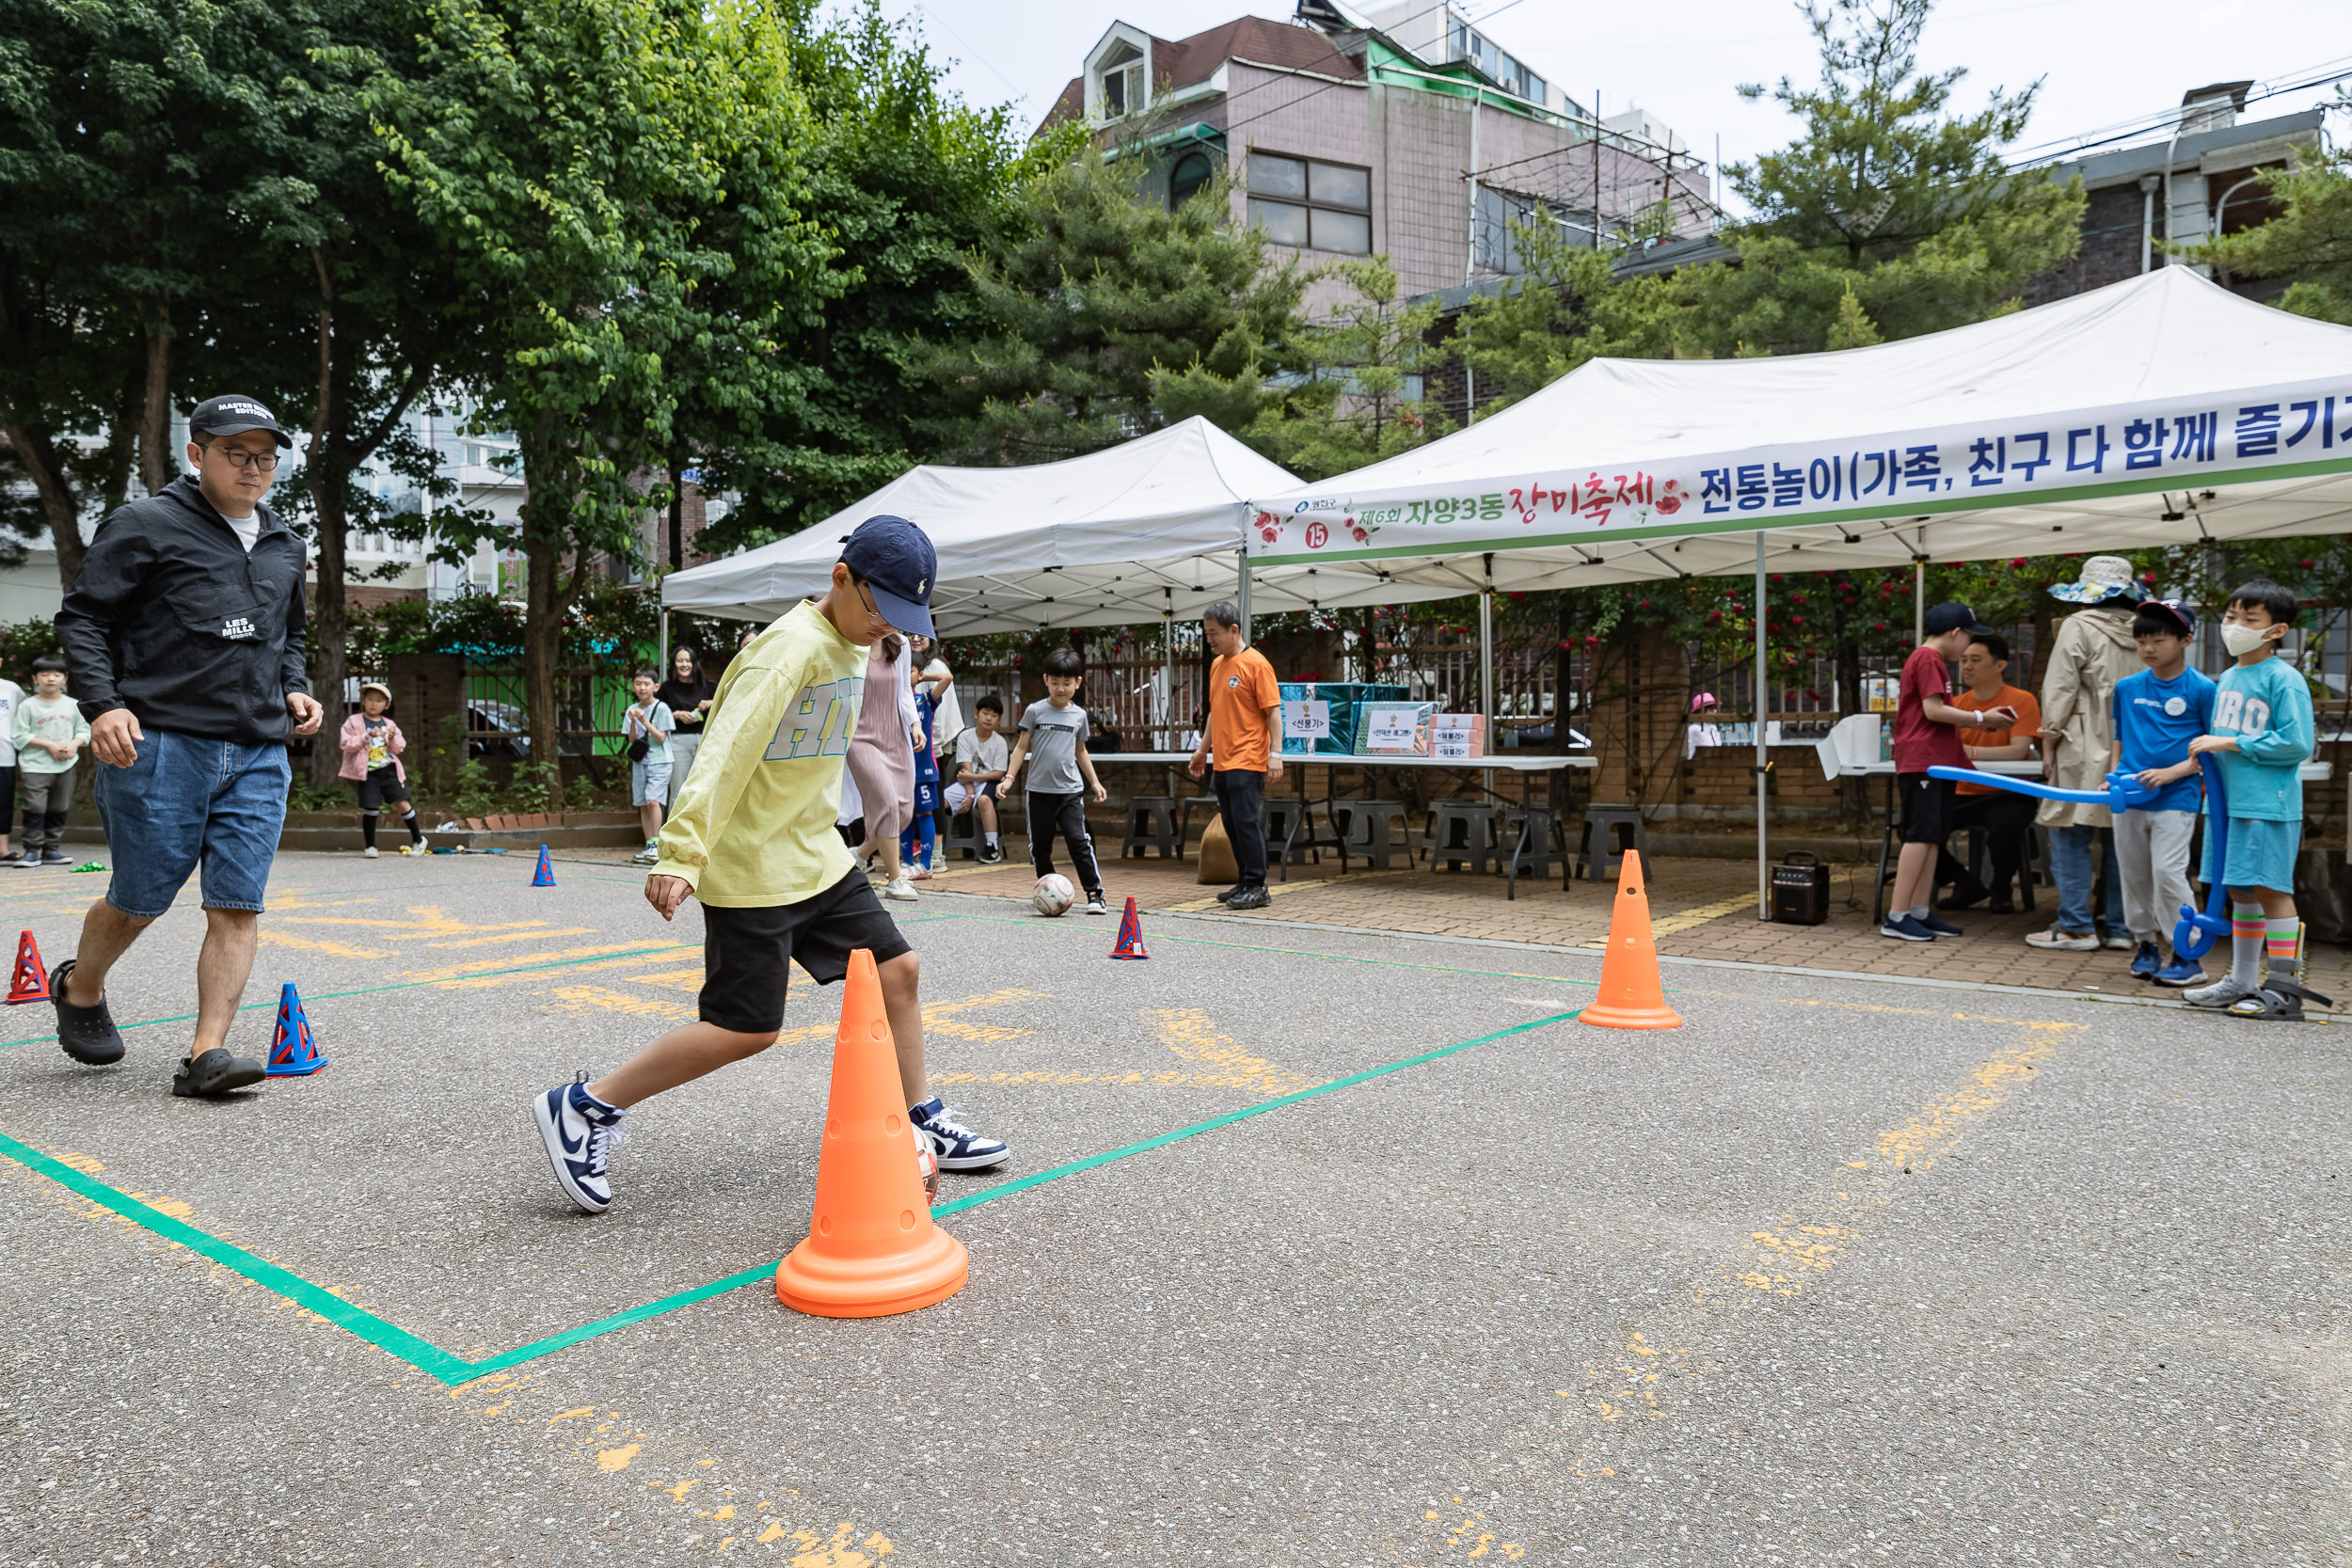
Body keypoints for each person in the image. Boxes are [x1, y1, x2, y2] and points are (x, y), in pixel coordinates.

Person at [531, 515, 1008, 1214]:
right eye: (881, 610)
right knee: (746, 1027)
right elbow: (726, 747)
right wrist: (683, 851)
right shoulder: (787, 649)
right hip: (753, 864)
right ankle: (585, 1105)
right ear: (842, 578)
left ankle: (918, 1115)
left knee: (897, 971)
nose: (888, 630)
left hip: (815, 855)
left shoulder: (855, 641)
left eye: (903, 619)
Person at [51, 392, 324, 1098]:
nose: (255, 468)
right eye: (238, 454)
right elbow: (83, 618)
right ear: (196, 453)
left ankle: (208, 1054)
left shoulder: (286, 542)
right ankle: (80, 987)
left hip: (259, 748)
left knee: (237, 902)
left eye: (266, 457)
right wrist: (103, 705)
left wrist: (293, 685)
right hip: (161, 742)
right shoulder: (144, 524)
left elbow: (287, 634)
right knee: (141, 899)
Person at [2184, 580, 2319, 1018]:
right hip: (2227, 805)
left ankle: (2284, 987)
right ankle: (2241, 981)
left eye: (2249, 619)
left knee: (2271, 889)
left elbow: (2297, 743)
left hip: (2266, 803)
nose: (2234, 626)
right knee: (2241, 891)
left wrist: (2232, 744)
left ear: (2276, 630)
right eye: (2230, 616)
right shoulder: (2228, 676)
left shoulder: (2285, 678)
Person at [1881, 602, 2015, 942]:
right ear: (1956, 633)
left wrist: (1979, 721)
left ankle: (1918, 911)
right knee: (1920, 836)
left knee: (1933, 838)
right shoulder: (1927, 658)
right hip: (1924, 760)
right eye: (1968, 636)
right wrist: (1983, 719)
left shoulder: (1931, 659)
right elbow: (1933, 710)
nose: (1968, 646)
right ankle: (1897, 915)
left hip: (1935, 760)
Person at [2027, 556, 2139, 952]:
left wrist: (2048, 739)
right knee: (2121, 835)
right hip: (2133, 744)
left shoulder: (2078, 626)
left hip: (2082, 739)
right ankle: (2122, 927)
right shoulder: (2148, 630)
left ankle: (2076, 926)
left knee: (2068, 828)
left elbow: (2060, 687)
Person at [2108, 598, 2217, 989]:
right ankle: (2145, 944)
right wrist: (2115, 774)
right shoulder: (2127, 687)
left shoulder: (2204, 688)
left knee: (2168, 873)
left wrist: (2175, 772)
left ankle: (2186, 954)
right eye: (2141, 641)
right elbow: (2120, 739)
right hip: (2128, 796)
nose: (2148, 649)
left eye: (2158, 640)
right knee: (2134, 874)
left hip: (2178, 797)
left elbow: (2210, 748)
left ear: (2186, 639)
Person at [1932, 633, 2042, 913]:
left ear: (2000, 665)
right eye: (1964, 660)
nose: (1966, 666)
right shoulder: (1954, 705)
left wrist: (1972, 753)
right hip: (1960, 793)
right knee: (1914, 824)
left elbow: (2019, 751)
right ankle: (1963, 882)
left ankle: (2001, 889)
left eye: (1976, 660)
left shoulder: (2021, 700)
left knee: (2006, 827)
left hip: (2008, 792)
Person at [1185, 600, 1282, 911]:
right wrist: (1202, 751)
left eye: (1214, 633)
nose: (1209, 639)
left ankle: (1257, 884)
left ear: (1234, 630)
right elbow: (1215, 711)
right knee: (1231, 822)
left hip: (1248, 758)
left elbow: (1273, 712)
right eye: (1206, 633)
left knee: (1246, 821)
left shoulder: (1256, 664)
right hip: (1223, 760)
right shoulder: (1217, 666)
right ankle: (1245, 880)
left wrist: (1275, 753)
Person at [1005, 646, 1109, 915]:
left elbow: (1081, 751)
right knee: (1040, 847)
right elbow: (1021, 747)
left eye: (1066, 683)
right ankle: (1049, 893)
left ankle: (1095, 894)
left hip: (1070, 792)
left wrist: (1095, 783)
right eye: (1055, 683)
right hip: (1038, 791)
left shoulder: (1079, 716)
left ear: (1078, 683)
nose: (1060, 689)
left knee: (1078, 840)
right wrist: (1009, 777)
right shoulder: (1035, 711)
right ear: (1045, 680)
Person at [846, 630, 921, 901]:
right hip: (860, 738)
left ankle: (859, 855)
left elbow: (904, 690)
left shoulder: (899, 643)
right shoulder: (848, 642)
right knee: (887, 804)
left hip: (895, 737)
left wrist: (915, 724)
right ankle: (895, 879)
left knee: (903, 811)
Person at [337, 681, 425, 859]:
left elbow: (399, 748)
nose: (373, 703)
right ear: (363, 701)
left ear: (387, 705)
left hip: (389, 770)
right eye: (370, 699)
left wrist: (391, 739)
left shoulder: (389, 723)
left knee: (402, 803)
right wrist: (366, 736)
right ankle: (370, 846)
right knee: (371, 806)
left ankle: (419, 840)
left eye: (379, 700)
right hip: (367, 772)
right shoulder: (353, 721)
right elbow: (346, 743)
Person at [10, 657, 86, 867]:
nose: (50, 679)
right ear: (35, 678)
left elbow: (84, 730)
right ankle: (32, 850)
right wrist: (49, 746)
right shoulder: (28, 706)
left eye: (56, 674)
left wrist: (73, 745)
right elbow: (20, 735)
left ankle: (51, 849)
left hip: (66, 765)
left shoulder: (73, 705)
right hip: (35, 766)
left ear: (64, 678)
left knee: (59, 807)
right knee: (35, 807)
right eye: (44, 674)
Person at [946, 692, 1008, 864]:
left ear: (999, 720)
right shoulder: (966, 736)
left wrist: (972, 779)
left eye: (994, 715)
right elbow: (966, 767)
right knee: (940, 802)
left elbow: (998, 774)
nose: (988, 718)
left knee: (984, 800)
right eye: (985, 713)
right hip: (967, 784)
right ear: (976, 713)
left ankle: (992, 847)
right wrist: (969, 794)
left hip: (990, 783)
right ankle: (933, 847)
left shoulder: (1000, 742)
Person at [623, 670, 674, 865]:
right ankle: (649, 844)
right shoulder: (632, 709)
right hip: (640, 761)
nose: (642, 687)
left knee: (653, 801)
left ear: (656, 686)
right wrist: (634, 721)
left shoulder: (662, 708)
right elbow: (632, 739)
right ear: (633, 686)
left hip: (660, 761)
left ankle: (658, 844)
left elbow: (660, 738)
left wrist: (644, 720)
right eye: (638, 683)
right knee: (643, 803)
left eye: (646, 683)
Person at [655, 645, 714, 808]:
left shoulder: (708, 687)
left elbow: (729, 704)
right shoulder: (666, 688)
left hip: (705, 741)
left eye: (688, 661)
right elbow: (656, 714)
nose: (684, 664)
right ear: (674, 664)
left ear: (695, 664)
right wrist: (677, 715)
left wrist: (711, 702)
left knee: (704, 788)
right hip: (677, 742)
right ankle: (673, 832)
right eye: (680, 661)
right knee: (678, 789)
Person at [901, 670, 941, 879]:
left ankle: (925, 863)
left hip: (924, 769)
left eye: (911, 670)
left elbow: (948, 678)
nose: (906, 674)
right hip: (900, 768)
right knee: (904, 816)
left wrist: (922, 677)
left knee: (924, 814)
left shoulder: (926, 699)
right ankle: (906, 862)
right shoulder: (895, 700)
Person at [911, 634, 961, 761]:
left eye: (921, 637)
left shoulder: (936, 666)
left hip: (936, 737)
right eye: (911, 635)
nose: (915, 639)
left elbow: (940, 712)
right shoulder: (908, 663)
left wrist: (934, 743)